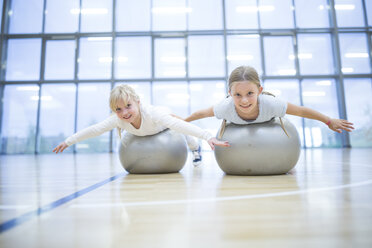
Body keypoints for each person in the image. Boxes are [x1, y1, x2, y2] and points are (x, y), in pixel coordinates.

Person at [53, 84, 230, 166]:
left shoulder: (153, 114)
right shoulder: (118, 119)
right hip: (151, 128)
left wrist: (208, 137)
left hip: (163, 120)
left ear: (137, 102)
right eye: (118, 109)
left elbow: (179, 125)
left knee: (178, 125)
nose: (124, 113)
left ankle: (195, 149)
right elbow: (95, 129)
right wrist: (69, 141)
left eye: (128, 106)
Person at [184, 66, 354, 137]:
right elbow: (199, 114)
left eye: (250, 93)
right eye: (237, 95)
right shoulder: (225, 107)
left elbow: (301, 111)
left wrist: (329, 121)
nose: (244, 100)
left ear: (260, 91)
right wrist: (177, 124)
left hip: (270, 129)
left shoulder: (271, 104)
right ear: (229, 93)